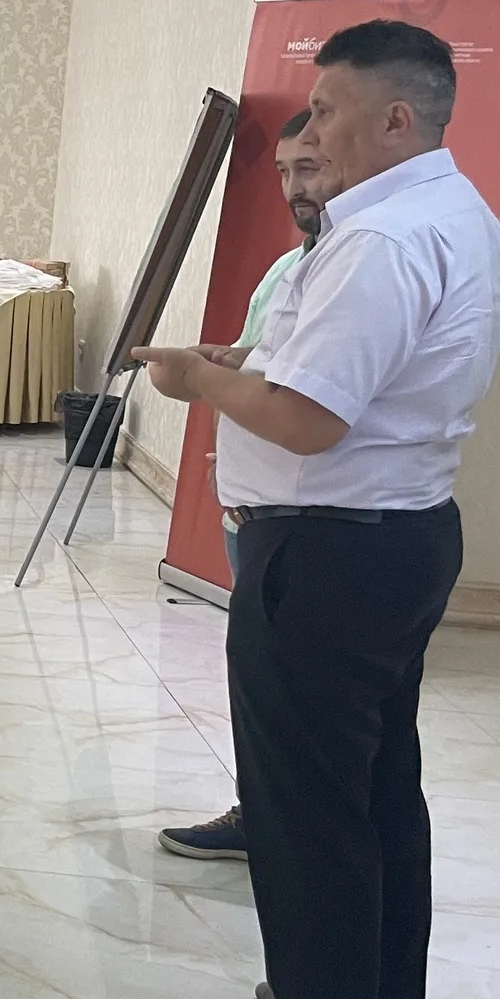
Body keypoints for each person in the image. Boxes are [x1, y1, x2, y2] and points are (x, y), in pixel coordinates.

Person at [135, 20, 500, 999]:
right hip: (399, 535)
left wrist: (201, 379)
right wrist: (248, 363)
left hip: (330, 549)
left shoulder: (379, 239)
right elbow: (353, 376)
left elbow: (308, 419)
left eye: (330, 110)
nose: (314, 131)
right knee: (378, 786)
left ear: (396, 117)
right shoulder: (456, 215)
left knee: (306, 810)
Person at [161, 107, 331, 863]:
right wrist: (218, 363)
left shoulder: (365, 268)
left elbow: (314, 405)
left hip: (318, 518)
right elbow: (257, 358)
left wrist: (206, 379)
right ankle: (262, 813)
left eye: (310, 169)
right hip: (255, 507)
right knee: (264, 684)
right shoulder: (288, 268)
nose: (295, 188)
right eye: (285, 172)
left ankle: (288, 833)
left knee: (303, 692)